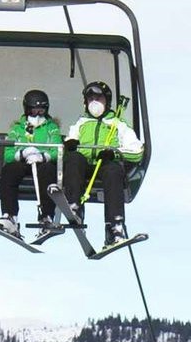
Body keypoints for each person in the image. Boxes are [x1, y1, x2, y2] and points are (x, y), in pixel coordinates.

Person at [60, 79, 145, 246]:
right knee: (74, 159)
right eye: (90, 99)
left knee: (113, 170)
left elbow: (137, 151)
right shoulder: (81, 123)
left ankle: (114, 225)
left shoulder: (118, 124)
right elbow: (70, 139)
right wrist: (70, 145)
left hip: (104, 165)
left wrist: (114, 153)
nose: (94, 103)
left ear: (107, 101)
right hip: (84, 165)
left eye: (98, 99)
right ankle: (75, 207)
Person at [0, 87, 65, 239]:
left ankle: (46, 216)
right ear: (27, 110)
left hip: (41, 162)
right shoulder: (17, 129)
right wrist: (22, 153)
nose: (38, 115)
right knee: (9, 170)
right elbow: (8, 154)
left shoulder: (51, 128)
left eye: (41, 111)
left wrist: (43, 156)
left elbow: (58, 150)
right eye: (34, 111)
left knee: (48, 171)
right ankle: (10, 216)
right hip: (24, 161)